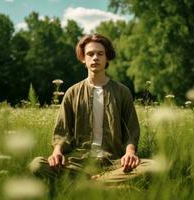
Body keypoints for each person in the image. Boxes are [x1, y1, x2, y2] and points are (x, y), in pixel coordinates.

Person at [29, 33, 155, 186]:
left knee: (154, 167)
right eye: (90, 54)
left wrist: (129, 154)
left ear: (107, 58)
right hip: (78, 162)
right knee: (37, 164)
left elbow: (131, 132)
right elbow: (62, 132)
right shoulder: (72, 92)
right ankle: (104, 186)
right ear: (83, 58)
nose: (95, 57)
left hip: (113, 161)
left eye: (100, 54)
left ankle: (87, 185)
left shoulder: (122, 92)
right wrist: (57, 152)